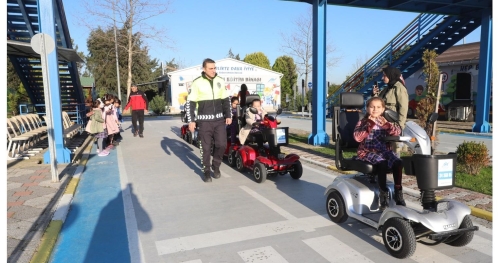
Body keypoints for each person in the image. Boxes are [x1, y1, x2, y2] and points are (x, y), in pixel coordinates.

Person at [353, 97, 406, 210]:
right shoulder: (363, 122)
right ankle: (383, 192)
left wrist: (387, 125)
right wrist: (370, 125)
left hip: (384, 151)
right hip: (367, 151)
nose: (375, 109)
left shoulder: (385, 121)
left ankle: (398, 191)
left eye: (378, 107)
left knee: (398, 162)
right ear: (367, 108)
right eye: (372, 107)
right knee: (382, 163)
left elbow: (397, 132)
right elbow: (357, 138)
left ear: (383, 109)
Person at [187, 58, 232, 183]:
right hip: (204, 122)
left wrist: (228, 115)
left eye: (215, 68)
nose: (213, 71)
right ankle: (206, 171)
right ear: (204, 69)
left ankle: (215, 166)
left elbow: (226, 100)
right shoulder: (197, 83)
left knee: (222, 144)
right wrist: (191, 121)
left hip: (219, 120)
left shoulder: (220, 81)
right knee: (205, 148)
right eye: (210, 68)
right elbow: (190, 103)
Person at [372, 66, 409, 156]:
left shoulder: (399, 88)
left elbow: (403, 109)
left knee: (394, 152)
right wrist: (375, 94)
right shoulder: (387, 89)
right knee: (383, 150)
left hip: (393, 125)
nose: (382, 78)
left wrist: (400, 126)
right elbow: (378, 104)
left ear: (390, 75)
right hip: (383, 124)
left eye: (384, 75)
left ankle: (395, 169)